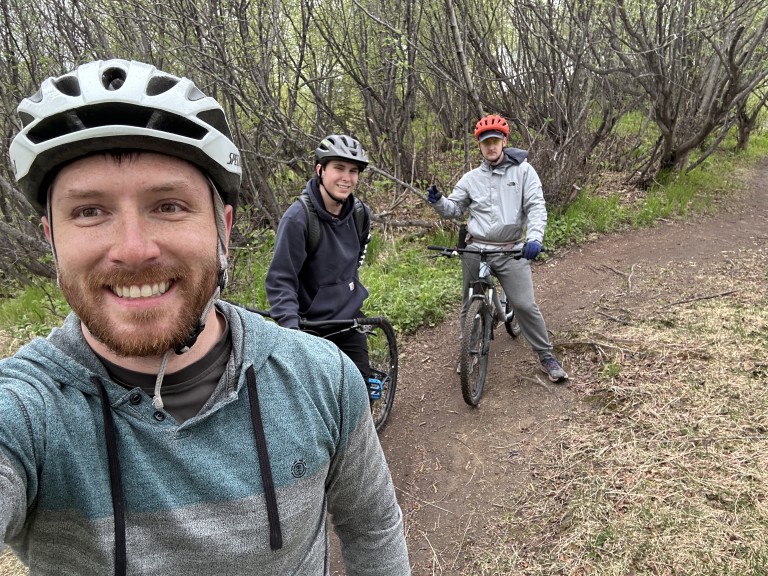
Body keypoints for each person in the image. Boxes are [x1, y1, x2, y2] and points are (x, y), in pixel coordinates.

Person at [0, 59, 410, 575]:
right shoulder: (27, 412)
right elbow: (283, 279)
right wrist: (292, 325)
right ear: (50, 240)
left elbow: (373, 527)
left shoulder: (320, 375)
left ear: (224, 229)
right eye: (89, 211)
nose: (132, 250)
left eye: (169, 205)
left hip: (339, 329)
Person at [426, 114, 568, 383]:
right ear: (479, 145)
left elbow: (536, 207)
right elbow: (454, 209)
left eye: (495, 141)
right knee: (470, 303)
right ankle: (469, 349)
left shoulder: (524, 171)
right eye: (484, 142)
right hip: (476, 248)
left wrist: (534, 237)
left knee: (524, 304)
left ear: (504, 141)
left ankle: (545, 354)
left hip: (511, 249)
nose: (490, 146)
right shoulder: (470, 178)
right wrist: (439, 201)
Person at [265, 135, 380, 398]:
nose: (346, 178)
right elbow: (281, 280)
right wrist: (291, 330)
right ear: (320, 170)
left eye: (353, 171)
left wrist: (348, 287)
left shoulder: (361, 214)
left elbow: (357, 255)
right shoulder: (298, 218)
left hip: (348, 319)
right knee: (313, 401)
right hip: (310, 324)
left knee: (359, 395)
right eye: (339, 168)